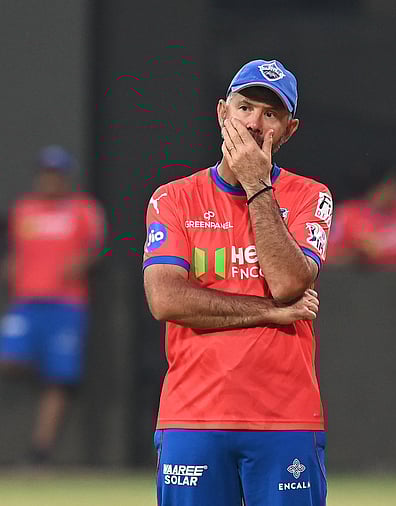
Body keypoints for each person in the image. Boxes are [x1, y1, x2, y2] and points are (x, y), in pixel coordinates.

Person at [142, 59, 329, 506]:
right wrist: (268, 312)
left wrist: (257, 186)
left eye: (271, 114)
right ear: (222, 111)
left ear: (289, 129)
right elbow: (165, 299)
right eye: (245, 107)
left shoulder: (310, 195)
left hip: (286, 418)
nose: (254, 123)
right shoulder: (173, 197)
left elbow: (288, 283)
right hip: (193, 417)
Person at [0, 145, 105, 464]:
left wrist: (83, 261)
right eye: (46, 174)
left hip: (66, 306)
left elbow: (96, 248)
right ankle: (32, 364)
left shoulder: (83, 210)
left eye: (57, 175)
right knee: (9, 359)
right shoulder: (23, 210)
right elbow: (13, 253)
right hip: (27, 303)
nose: (51, 180)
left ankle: (39, 452)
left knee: (58, 378)